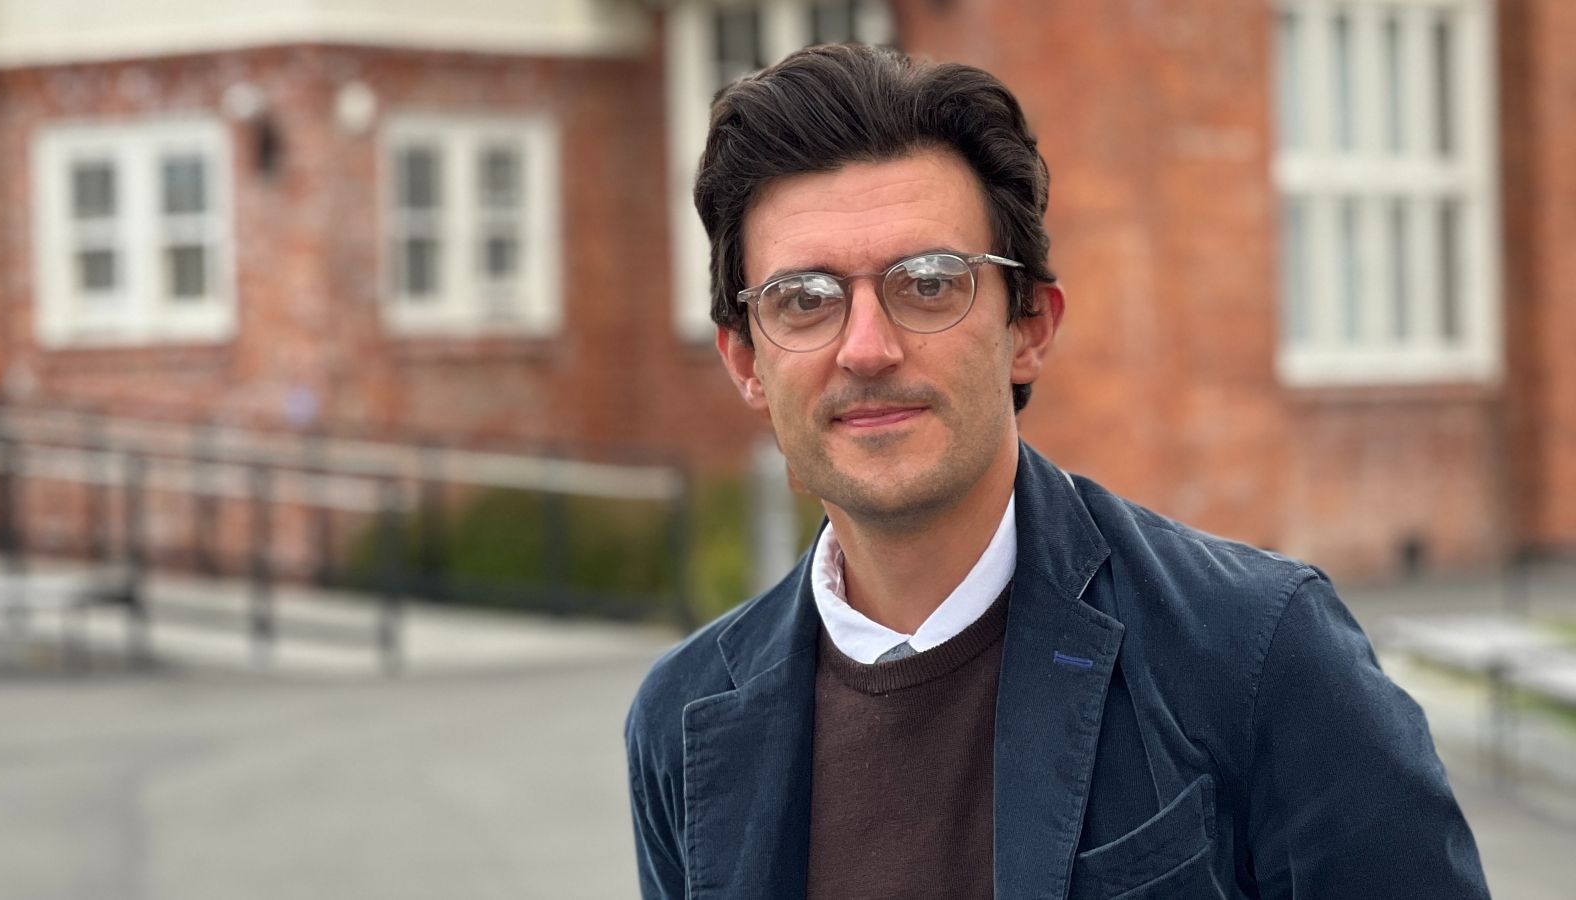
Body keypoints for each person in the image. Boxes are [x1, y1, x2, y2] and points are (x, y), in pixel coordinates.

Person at [625, 43, 1489, 900]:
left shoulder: (1257, 656)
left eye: (928, 283)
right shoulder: (682, 724)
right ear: (745, 361)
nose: (866, 348)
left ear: (1029, 326)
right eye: (804, 300)